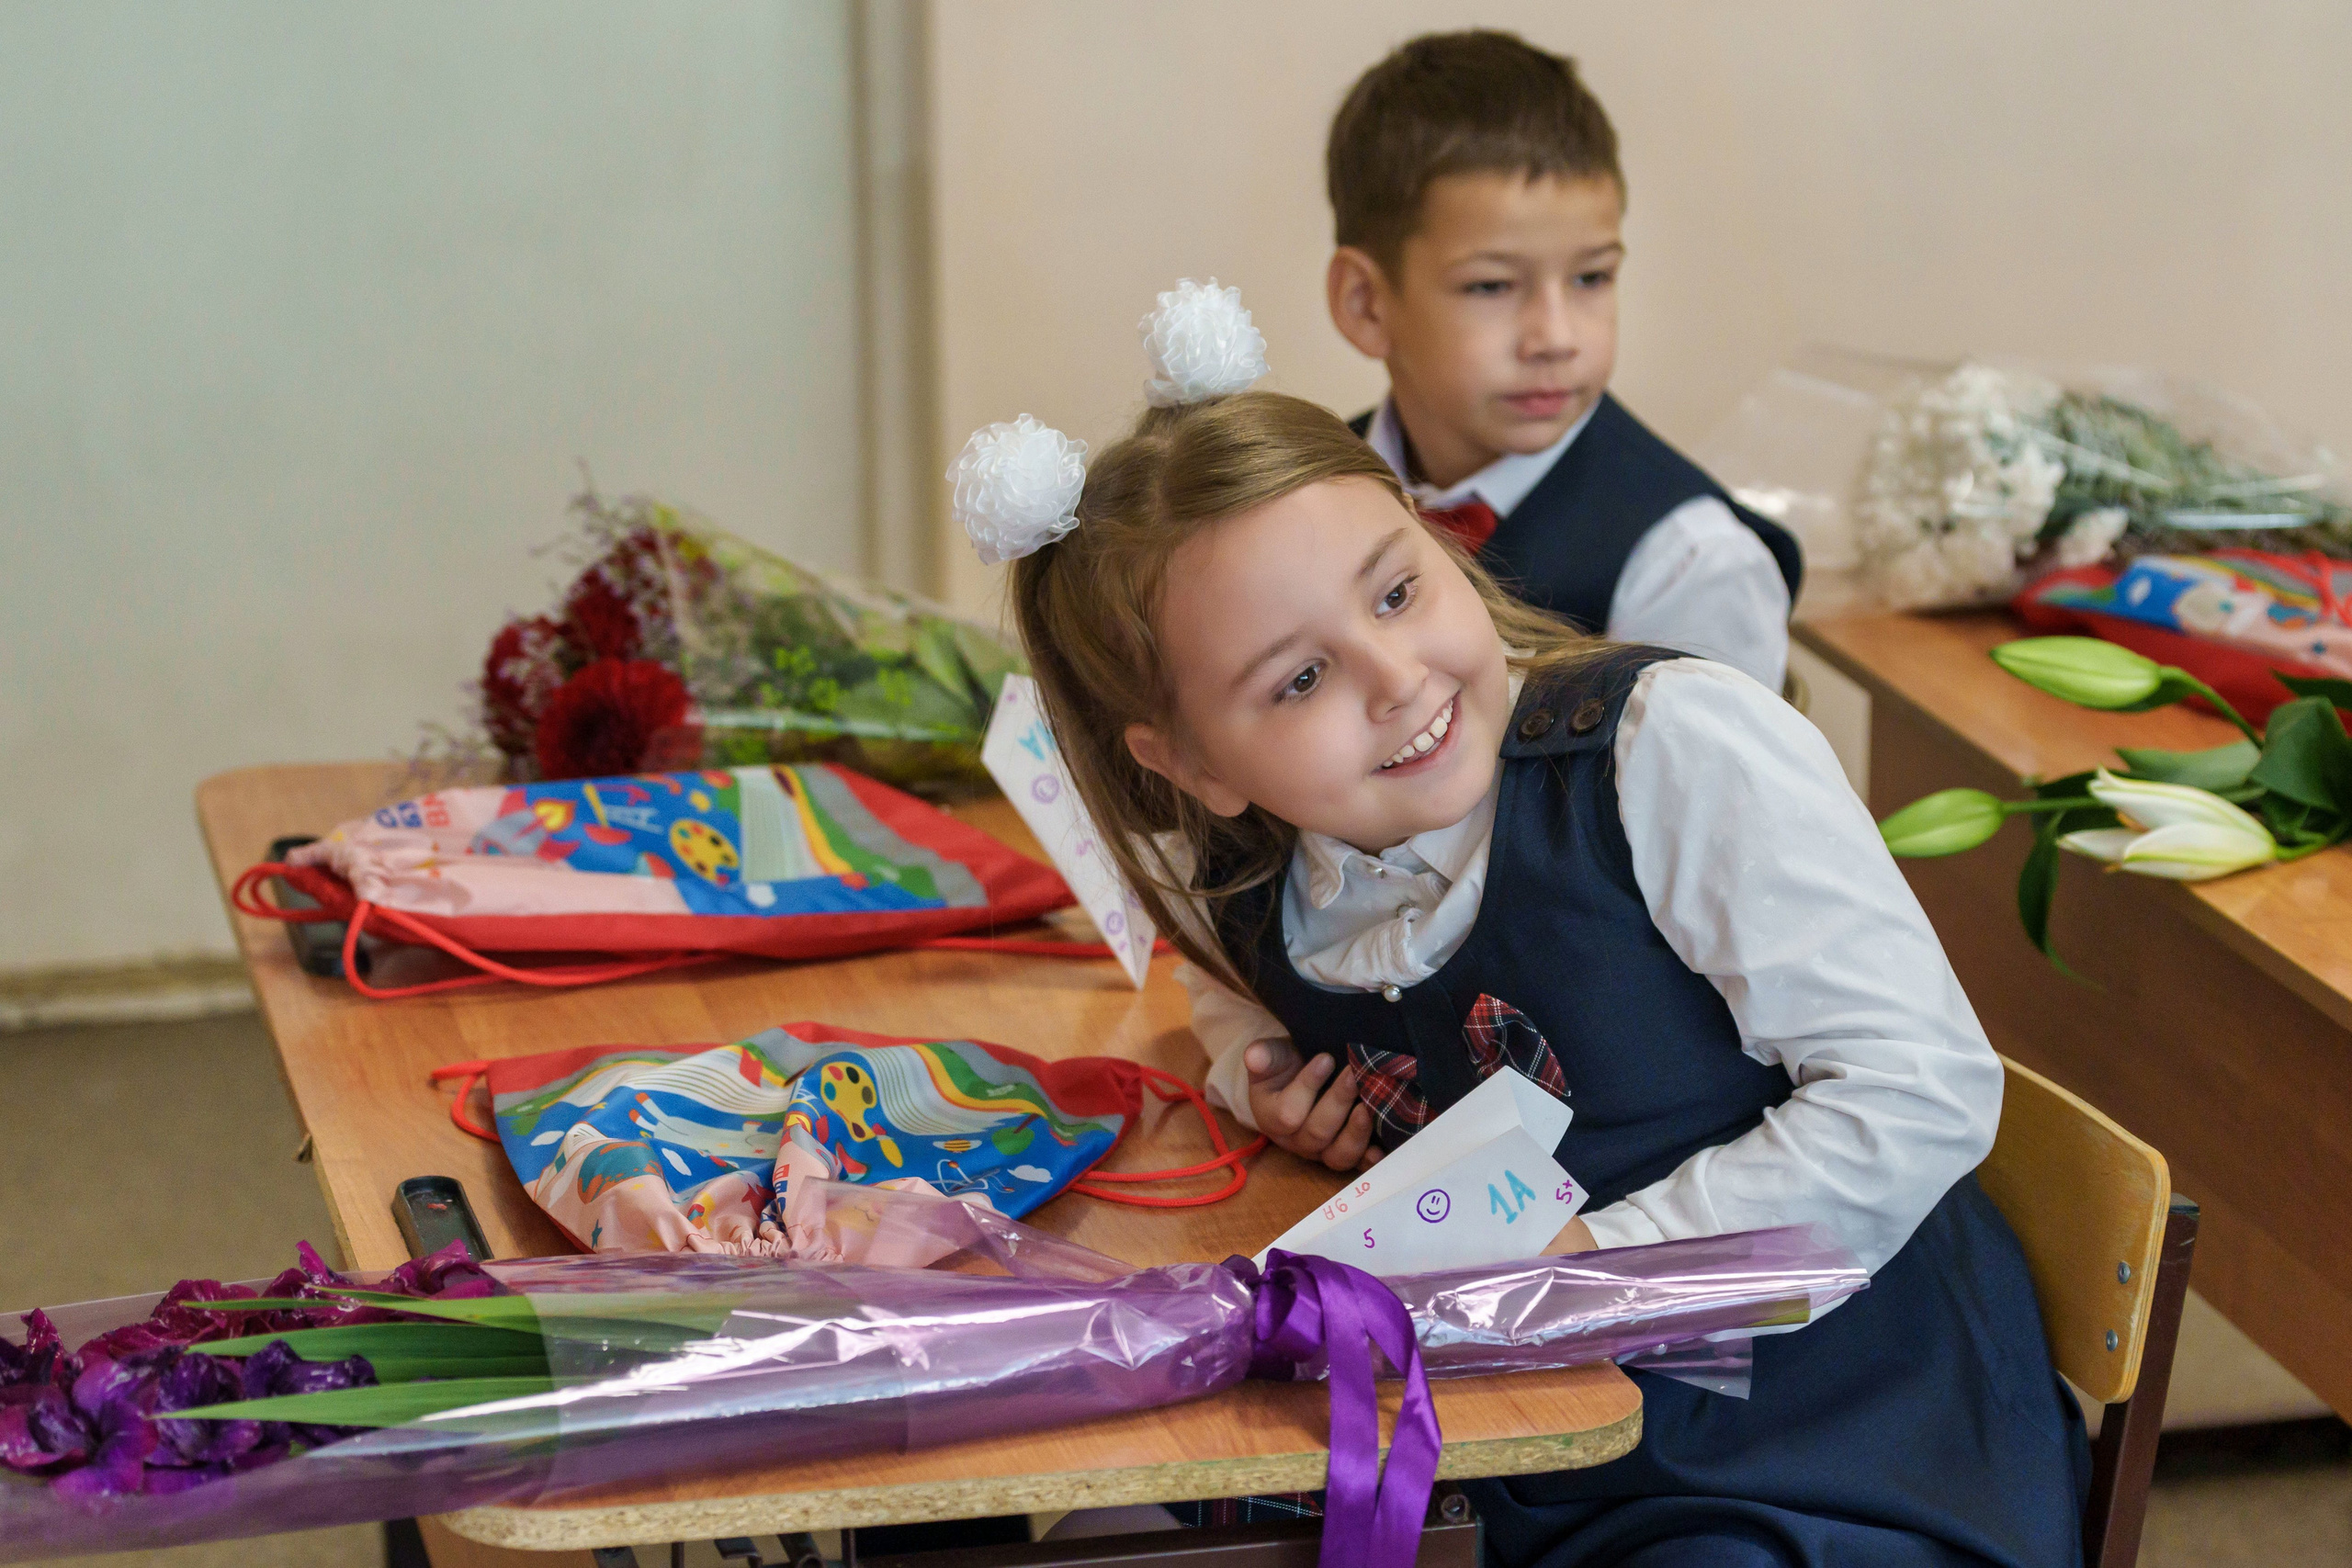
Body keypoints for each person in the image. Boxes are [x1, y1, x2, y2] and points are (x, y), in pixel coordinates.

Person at [960, 284, 2086, 1567]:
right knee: (1104, 1529)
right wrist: (1254, 1073)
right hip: (1507, 1433)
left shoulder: (1666, 752)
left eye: (1394, 593)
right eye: (1301, 679)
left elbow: (1922, 1090)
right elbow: (1217, 981)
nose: (1397, 680)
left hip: (1827, 1438)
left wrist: (1596, 1260)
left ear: (1435, 537)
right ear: (1196, 763)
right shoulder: (1265, 866)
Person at [1324, 29, 1802, 693]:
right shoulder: (1309, 491)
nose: (1555, 336)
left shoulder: (1686, 568)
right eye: (1491, 286)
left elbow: (1701, 797)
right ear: (1366, 306)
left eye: (1591, 278)